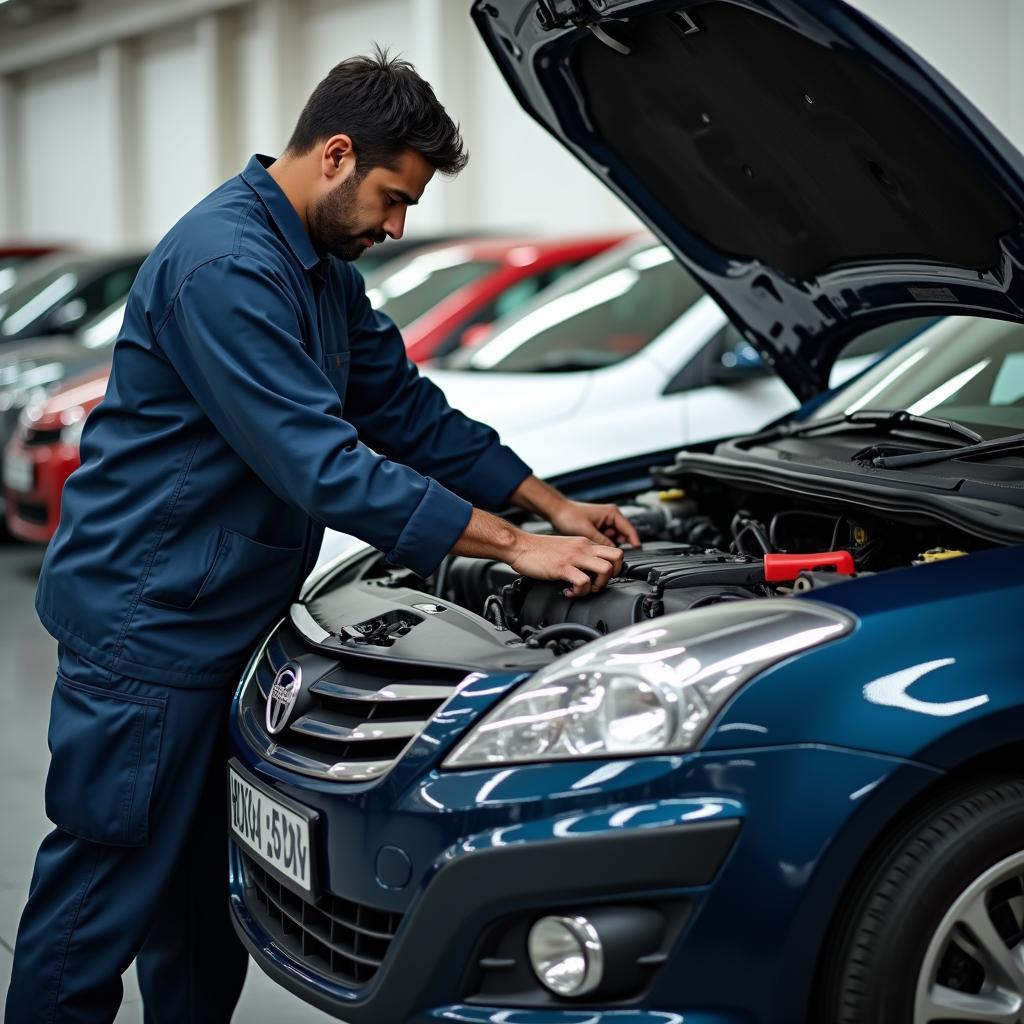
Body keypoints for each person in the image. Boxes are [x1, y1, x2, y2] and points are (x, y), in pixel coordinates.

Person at [4, 46, 640, 1023]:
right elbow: (320, 462)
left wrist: (547, 504)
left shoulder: (318, 267)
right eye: (393, 198)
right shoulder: (226, 266)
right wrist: (517, 551)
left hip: (226, 623)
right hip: (148, 626)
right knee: (101, 894)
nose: (395, 226)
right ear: (335, 154)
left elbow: (402, 410)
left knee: (200, 908)